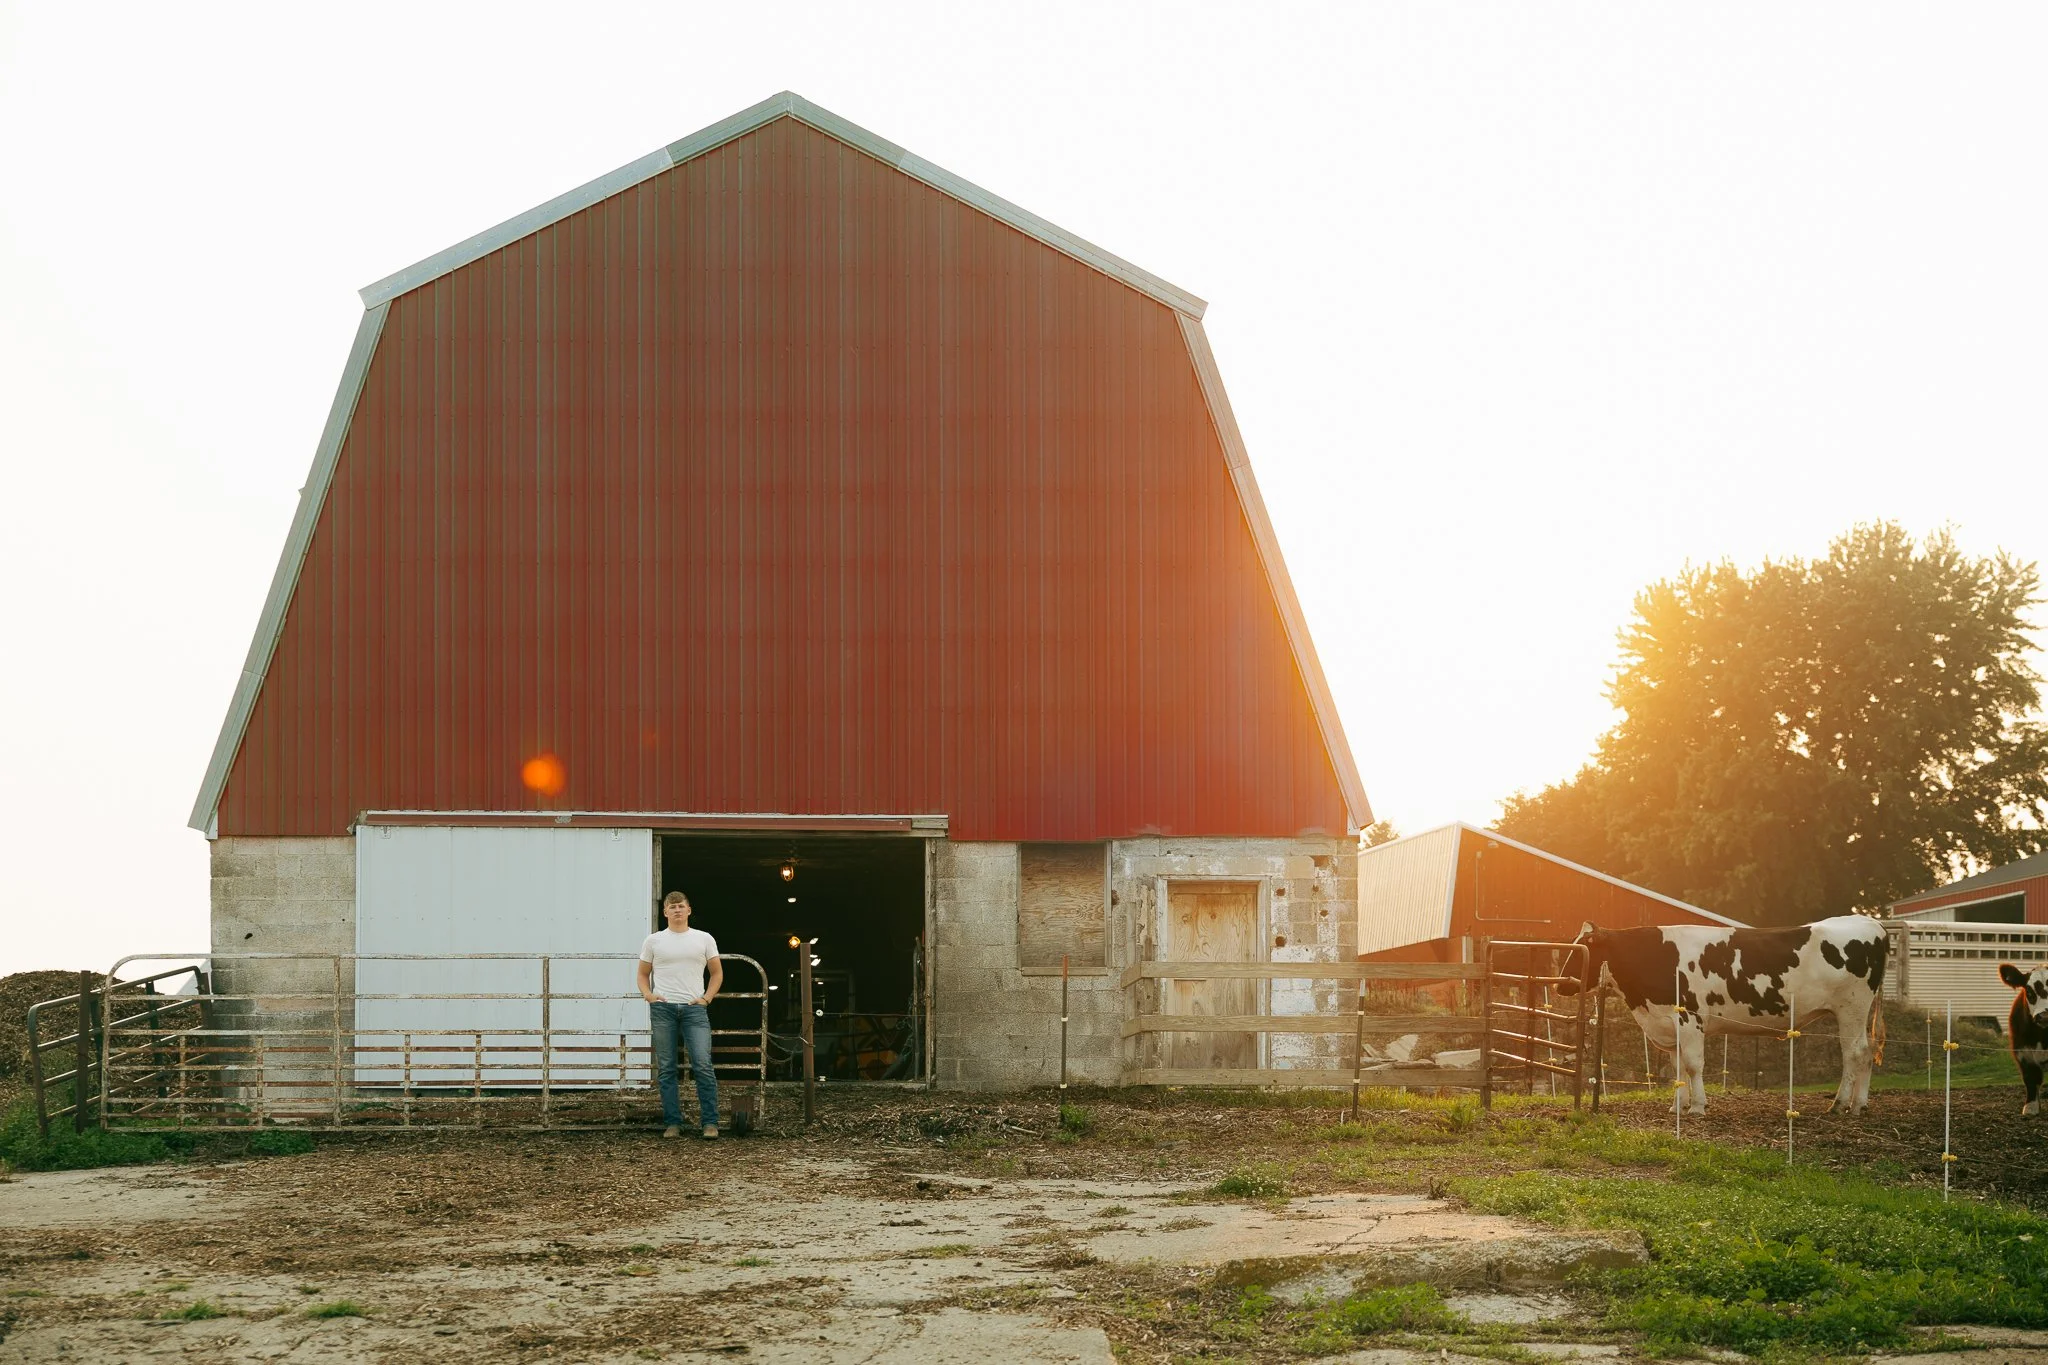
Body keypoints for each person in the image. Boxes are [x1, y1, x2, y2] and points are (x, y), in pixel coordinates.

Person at [638, 892, 723, 1138]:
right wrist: (649, 995)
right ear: (665, 912)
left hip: (694, 1008)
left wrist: (706, 998)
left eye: (681, 906)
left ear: (688, 910)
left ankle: (710, 1123)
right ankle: (673, 1123)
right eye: (672, 907)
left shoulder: (703, 938)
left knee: (703, 1064)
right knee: (666, 1067)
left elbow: (716, 973)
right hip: (663, 1008)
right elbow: (643, 974)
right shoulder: (653, 941)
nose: (677, 910)